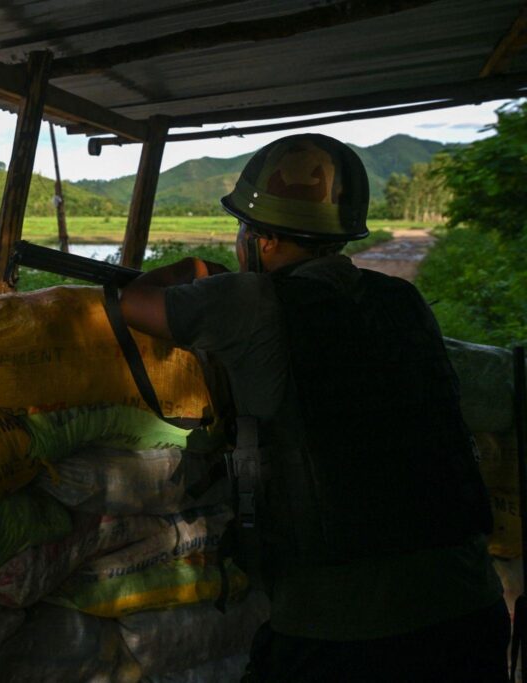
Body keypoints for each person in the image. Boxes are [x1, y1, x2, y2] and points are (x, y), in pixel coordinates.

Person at [119, 133, 509, 681]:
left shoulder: (250, 299)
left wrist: (193, 270)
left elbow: (134, 303)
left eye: (243, 230)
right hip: (471, 605)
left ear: (262, 240)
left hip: (342, 628)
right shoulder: (401, 299)